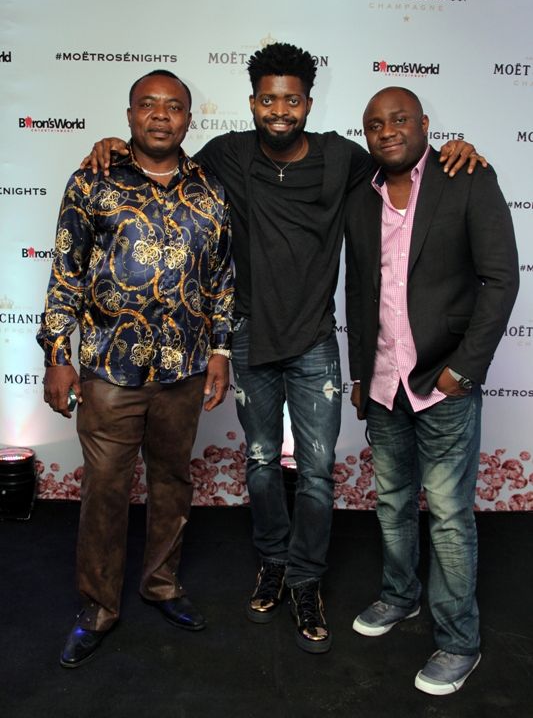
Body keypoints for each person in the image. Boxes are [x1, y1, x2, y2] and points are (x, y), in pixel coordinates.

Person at [82, 43, 484, 654]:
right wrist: (113, 147)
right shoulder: (226, 155)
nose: (279, 111)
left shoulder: (342, 158)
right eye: (268, 100)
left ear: (308, 104)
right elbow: (163, 163)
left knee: (317, 473)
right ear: (252, 103)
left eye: (290, 100)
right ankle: (273, 562)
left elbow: (404, 161)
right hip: (248, 339)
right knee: (263, 463)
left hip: (316, 342)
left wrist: (457, 148)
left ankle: (306, 579)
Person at [37, 70, 234, 668]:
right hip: (108, 371)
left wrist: (221, 351)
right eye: (148, 104)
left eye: (173, 107)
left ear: (189, 119)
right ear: (129, 115)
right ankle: (98, 607)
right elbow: (66, 273)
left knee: (172, 481)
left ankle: (162, 585)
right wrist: (57, 356)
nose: (160, 115)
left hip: (183, 371)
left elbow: (223, 279)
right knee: (105, 490)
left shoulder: (210, 189)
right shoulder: (93, 181)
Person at [345, 86, 519, 694]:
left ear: (423, 123)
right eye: (375, 124)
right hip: (383, 382)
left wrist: (462, 370)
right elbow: (359, 290)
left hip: (444, 383)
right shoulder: (361, 194)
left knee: (447, 516)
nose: (387, 131)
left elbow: (501, 279)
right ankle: (400, 596)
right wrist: (361, 374)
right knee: (392, 502)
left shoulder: (465, 177)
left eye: (399, 119)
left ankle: (459, 642)